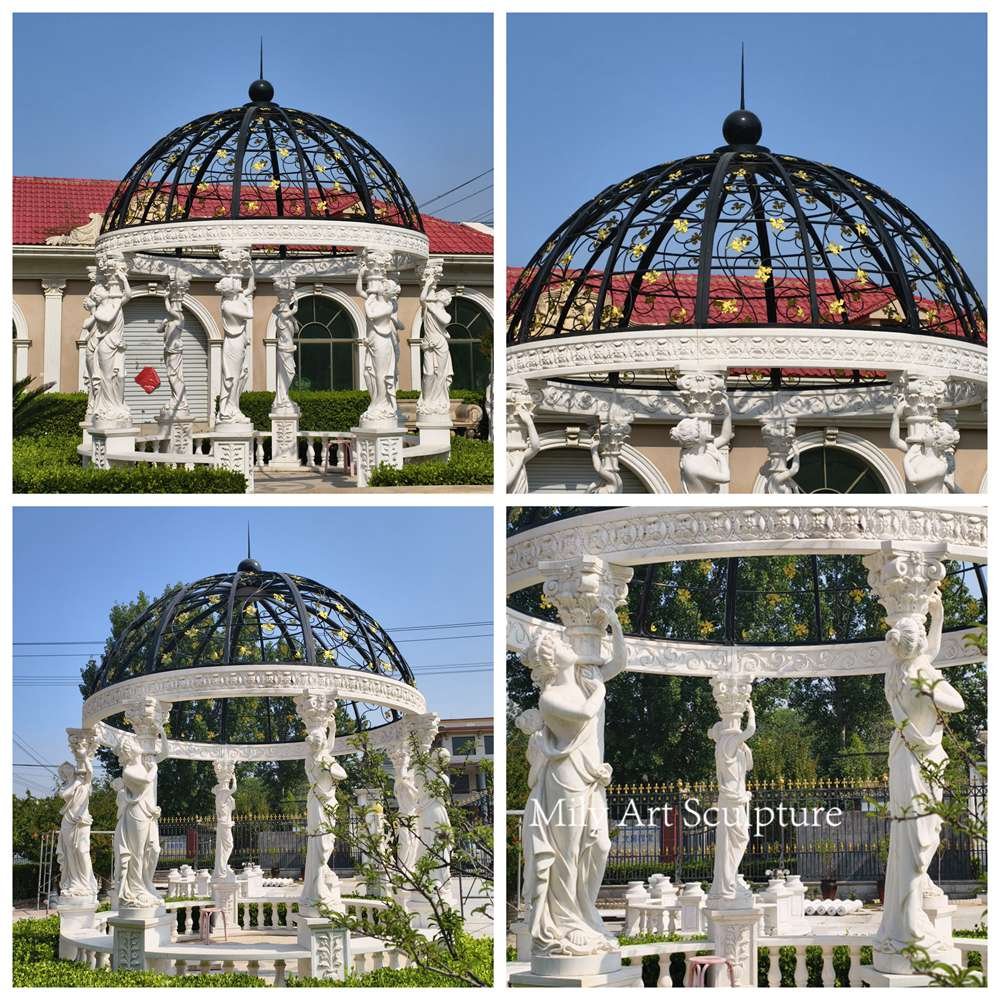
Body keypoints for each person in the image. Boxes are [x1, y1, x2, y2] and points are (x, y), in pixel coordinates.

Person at [520, 609, 627, 956]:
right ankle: (566, 920)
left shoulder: (585, 680)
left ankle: (584, 911)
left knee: (599, 846)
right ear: (552, 658)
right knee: (566, 852)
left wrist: (615, 624)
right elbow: (584, 714)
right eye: (560, 643)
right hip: (564, 778)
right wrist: (599, 693)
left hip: (590, 777)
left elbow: (618, 664)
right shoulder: (550, 698)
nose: (569, 643)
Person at [876, 593, 965, 970]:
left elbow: (930, 649)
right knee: (918, 845)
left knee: (907, 843)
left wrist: (938, 615)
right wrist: (934, 689)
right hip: (921, 764)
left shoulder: (894, 673)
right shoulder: (922, 674)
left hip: (903, 760)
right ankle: (910, 926)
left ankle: (900, 924)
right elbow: (956, 703)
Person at [671, 397, 733, 493]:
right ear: (697, 438)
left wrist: (727, 415)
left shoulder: (700, 449)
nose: (704, 427)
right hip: (703, 506)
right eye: (700, 428)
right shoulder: (694, 465)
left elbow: (725, 437)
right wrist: (721, 458)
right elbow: (725, 478)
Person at [418, 270, 454, 416]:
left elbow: (444, 320)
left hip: (440, 344)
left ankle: (438, 401)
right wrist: (427, 284)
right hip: (429, 343)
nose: (441, 293)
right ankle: (427, 400)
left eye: (443, 294)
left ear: (445, 300)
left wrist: (431, 304)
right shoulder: (427, 307)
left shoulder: (445, 314)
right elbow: (422, 299)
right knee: (428, 373)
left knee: (441, 373)